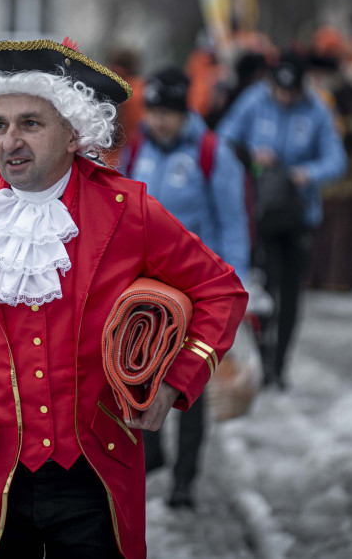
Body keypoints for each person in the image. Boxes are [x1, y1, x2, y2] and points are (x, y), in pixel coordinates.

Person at [0, 37, 248, 558]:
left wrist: (173, 384)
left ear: (73, 133)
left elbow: (220, 289)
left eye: (30, 123)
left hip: (96, 475)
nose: (10, 141)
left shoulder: (126, 210)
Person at [118, 66, 249, 510]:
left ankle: (184, 479)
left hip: (198, 290)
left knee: (188, 381)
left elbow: (233, 221)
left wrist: (237, 282)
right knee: (144, 371)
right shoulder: (137, 147)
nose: (158, 121)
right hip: (147, 290)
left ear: (184, 112)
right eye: (153, 111)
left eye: (167, 113)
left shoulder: (212, 152)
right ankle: (152, 452)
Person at [216, 52, 345, 388]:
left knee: (290, 292)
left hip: (299, 215)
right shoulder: (254, 100)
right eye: (279, 90)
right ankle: (262, 354)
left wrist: (308, 173)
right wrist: (250, 154)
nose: (285, 97)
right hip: (260, 212)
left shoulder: (317, 109)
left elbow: (336, 159)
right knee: (263, 288)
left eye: (292, 92)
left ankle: (280, 364)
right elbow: (224, 137)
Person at [306, 28, 352, 292]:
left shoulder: (348, 95)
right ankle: (314, 277)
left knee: (340, 237)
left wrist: (346, 164)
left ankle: (337, 280)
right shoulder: (305, 97)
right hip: (315, 179)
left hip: (345, 181)